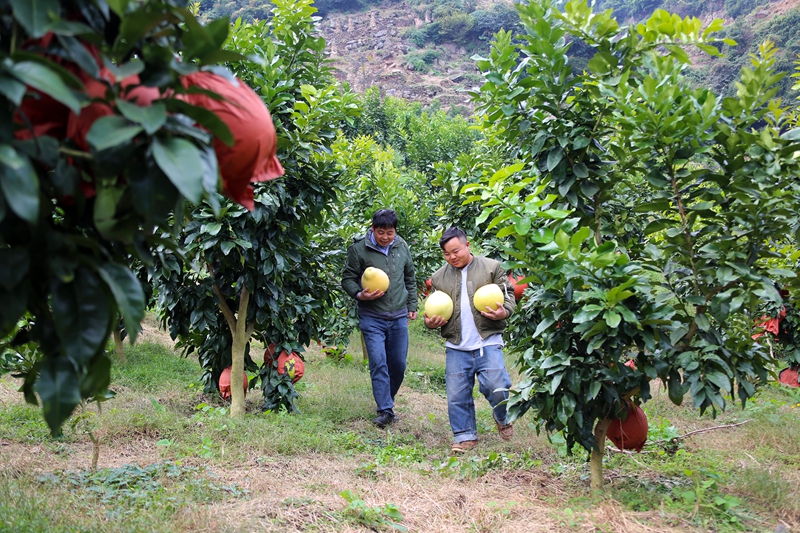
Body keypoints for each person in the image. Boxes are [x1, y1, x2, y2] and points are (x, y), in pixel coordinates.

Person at [424, 227, 515, 453]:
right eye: (446, 253)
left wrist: (504, 312)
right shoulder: (438, 278)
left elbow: (509, 295)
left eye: (456, 251)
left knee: (498, 386)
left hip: (488, 340)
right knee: (457, 394)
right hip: (457, 345)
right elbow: (431, 310)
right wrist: (429, 323)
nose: (452, 256)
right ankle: (465, 436)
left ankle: (502, 416)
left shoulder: (492, 268)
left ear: (467, 245)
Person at [342, 209, 418, 428]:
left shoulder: (401, 246)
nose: (385, 237)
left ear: (395, 231)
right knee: (378, 363)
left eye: (390, 232)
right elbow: (347, 278)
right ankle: (385, 409)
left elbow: (410, 277)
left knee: (398, 365)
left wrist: (412, 305)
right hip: (372, 316)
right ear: (373, 229)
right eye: (381, 232)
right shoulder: (359, 250)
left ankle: (388, 400)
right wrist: (359, 294)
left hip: (398, 316)